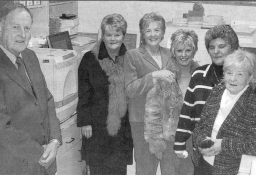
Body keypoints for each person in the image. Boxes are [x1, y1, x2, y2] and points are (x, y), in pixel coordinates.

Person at [0, 3, 62, 175]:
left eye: (27, 28)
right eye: (16, 27)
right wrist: (41, 153)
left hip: (42, 164)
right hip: (9, 167)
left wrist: (55, 140)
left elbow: (46, 100)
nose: (23, 34)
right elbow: (0, 127)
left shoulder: (30, 56)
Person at [124, 12, 181, 175]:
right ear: (142, 33)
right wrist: (154, 76)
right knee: (145, 168)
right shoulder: (132, 55)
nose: (153, 34)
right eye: (148, 30)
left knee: (169, 167)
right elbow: (129, 89)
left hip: (167, 121)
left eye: (157, 30)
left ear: (163, 33)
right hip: (141, 122)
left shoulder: (170, 54)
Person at [174, 25, 240, 163]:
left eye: (222, 46)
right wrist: (179, 143)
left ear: (233, 48)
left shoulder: (245, 77)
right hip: (203, 151)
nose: (216, 51)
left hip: (232, 153)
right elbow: (187, 112)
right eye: (211, 47)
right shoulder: (199, 75)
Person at [192, 49, 256, 175]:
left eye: (240, 74)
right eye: (229, 72)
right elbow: (201, 125)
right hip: (202, 164)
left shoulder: (255, 106)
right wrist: (200, 142)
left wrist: (224, 145)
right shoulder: (216, 92)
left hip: (229, 170)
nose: (232, 78)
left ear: (250, 78)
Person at [77, 13, 133, 175]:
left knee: (118, 168)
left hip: (122, 126)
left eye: (117, 34)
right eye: (108, 35)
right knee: (98, 168)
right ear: (103, 35)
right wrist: (85, 122)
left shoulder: (130, 59)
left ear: (123, 35)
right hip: (96, 125)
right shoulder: (90, 59)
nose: (113, 39)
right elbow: (84, 92)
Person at [170, 29, 200, 175]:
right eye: (179, 50)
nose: (183, 55)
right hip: (168, 135)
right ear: (173, 51)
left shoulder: (202, 75)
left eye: (188, 50)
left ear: (194, 51)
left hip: (191, 136)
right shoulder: (165, 74)